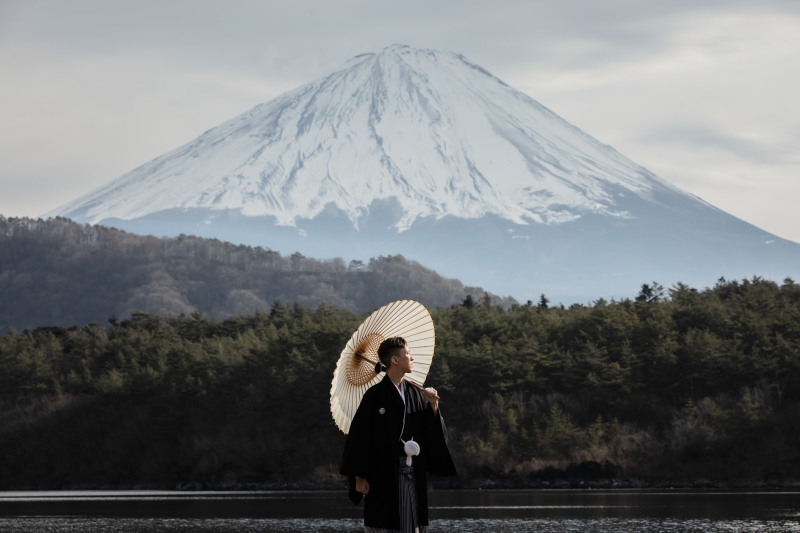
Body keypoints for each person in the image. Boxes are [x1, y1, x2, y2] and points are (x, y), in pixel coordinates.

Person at [339, 336, 457, 533]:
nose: (412, 357)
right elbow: (360, 437)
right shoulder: (374, 395)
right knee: (382, 523)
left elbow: (432, 435)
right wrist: (358, 477)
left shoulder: (416, 394)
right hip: (382, 473)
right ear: (394, 360)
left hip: (412, 471)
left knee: (412, 523)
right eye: (408, 353)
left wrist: (433, 405)